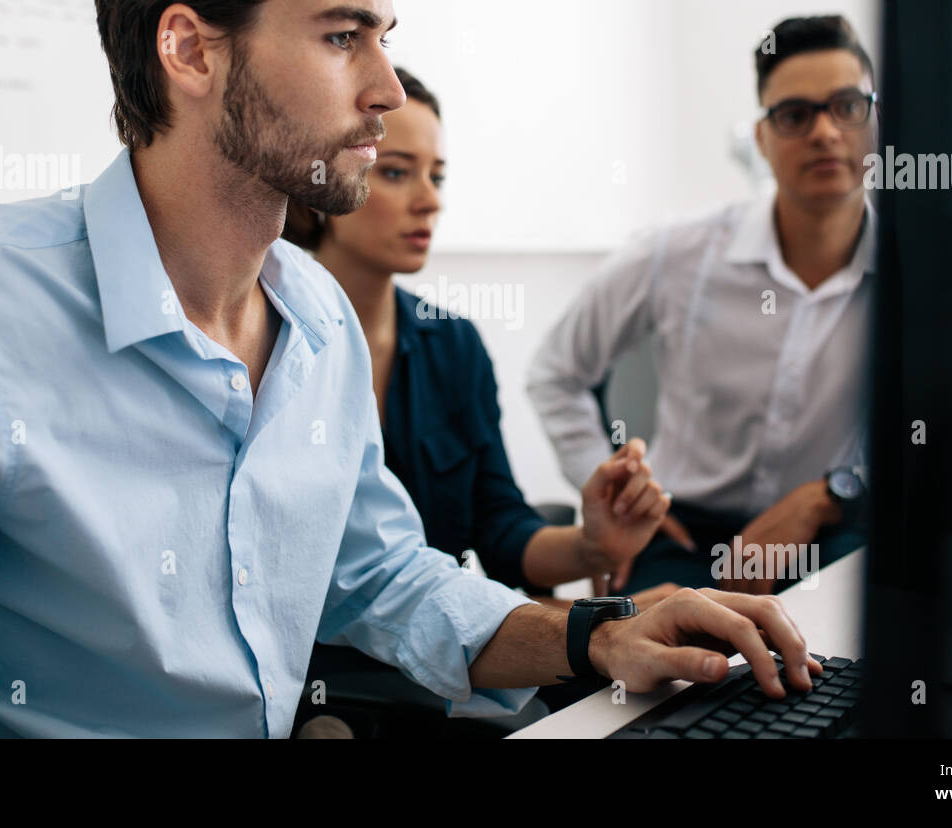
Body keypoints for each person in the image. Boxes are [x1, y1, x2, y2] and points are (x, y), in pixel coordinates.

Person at [0, 0, 819, 739]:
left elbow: (381, 576)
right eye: (343, 37)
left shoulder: (317, 321)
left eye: (383, 38)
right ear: (190, 51)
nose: (384, 88)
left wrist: (600, 634)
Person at [283, 67, 677, 610]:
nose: (430, 201)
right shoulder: (267, 340)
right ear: (318, 183)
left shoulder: (453, 345)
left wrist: (592, 546)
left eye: (436, 178)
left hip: (437, 665)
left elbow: (499, 526)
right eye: (396, 173)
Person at [527, 15, 877, 596]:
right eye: (794, 115)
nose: (824, 133)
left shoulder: (920, 276)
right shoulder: (676, 253)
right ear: (761, 139)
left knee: (850, 665)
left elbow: (943, 435)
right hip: (684, 534)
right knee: (665, 671)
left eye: (846, 106)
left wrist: (830, 496)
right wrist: (611, 495)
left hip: (832, 527)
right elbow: (555, 372)